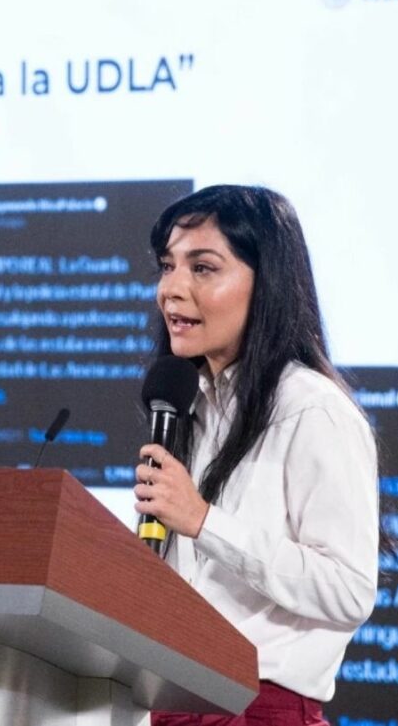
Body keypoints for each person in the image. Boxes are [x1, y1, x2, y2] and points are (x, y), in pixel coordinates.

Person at [133, 185, 379, 726]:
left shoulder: (312, 408)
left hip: (259, 710)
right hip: (172, 700)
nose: (171, 290)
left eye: (202, 268)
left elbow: (349, 590)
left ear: (266, 283)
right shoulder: (189, 407)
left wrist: (204, 522)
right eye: (167, 266)